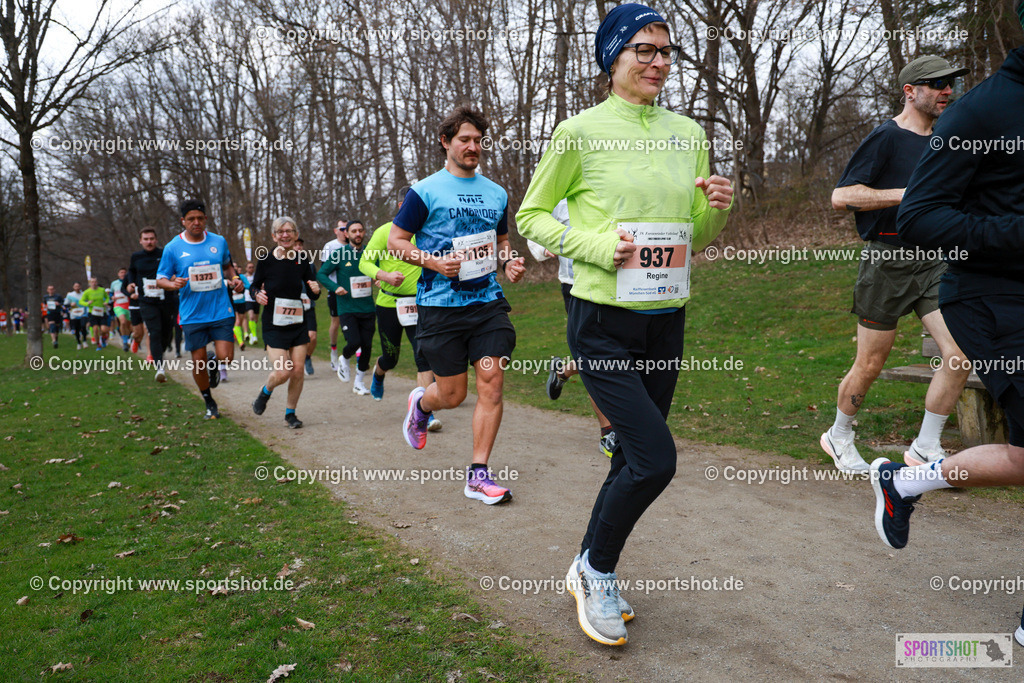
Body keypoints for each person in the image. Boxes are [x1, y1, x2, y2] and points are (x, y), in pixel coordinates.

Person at [517, 3, 733, 646]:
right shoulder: (578, 132)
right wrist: (591, 244)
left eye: (666, 51)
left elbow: (693, 234)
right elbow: (532, 217)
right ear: (612, 58)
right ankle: (599, 569)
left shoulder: (687, 132)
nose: (659, 62)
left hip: (666, 317)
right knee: (655, 458)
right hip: (602, 320)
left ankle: (588, 565)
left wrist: (718, 210)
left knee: (634, 457)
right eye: (644, 50)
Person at [880, 36, 1024, 646]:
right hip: (992, 297)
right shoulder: (983, 110)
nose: (944, 89)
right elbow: (916, 215)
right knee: (869, 363)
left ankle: (906, 480)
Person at [822, 55, 972, 473]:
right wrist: (908, 194)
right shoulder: (885, 137)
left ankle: (926, 446)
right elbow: (842, 196)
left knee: (960, 353)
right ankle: (839, 435)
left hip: (935, 262)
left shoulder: (944, 139)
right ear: (910, 91)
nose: (948, 91)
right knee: (870, 363)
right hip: (886, 259)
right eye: (937, 84)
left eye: (950, 84)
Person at [389, 105, 526, 505]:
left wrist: (509, 262)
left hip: (487, 303)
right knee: (452, 396)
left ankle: (478, 475)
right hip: (439, 304)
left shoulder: (496, 192)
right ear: (445, 142)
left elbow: (501, 244)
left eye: (479, 141)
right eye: (464, 140)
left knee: (492, 381)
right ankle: (421, 403)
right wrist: (431, 261)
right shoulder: (425, 191)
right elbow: (396, 242)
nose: (473, 147)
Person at [530, 200, 617, 457]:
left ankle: (562, 371)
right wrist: (544, 248)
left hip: (620, 283)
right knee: (593, 357)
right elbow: (533, 224)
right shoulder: (562, 195)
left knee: (617, 354)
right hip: (576, 287)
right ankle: (608, 432)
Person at [358, 190, 442, 430]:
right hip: (389, 304)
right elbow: (364, 261)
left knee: (423, 355)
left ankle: (425, 412)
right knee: (391, 357)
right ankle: (379, 372)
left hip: (420, 304)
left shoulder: (428, 231)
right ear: (401, 205)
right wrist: (383, 275)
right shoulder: (385, 232)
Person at [156, 199, 244, 419]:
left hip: (220, 309)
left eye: (200, 218)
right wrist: (172, 284)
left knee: (226, 357)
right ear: (183, 221)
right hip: (192, 313)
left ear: (205, 219)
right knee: (198, 361)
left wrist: (233, 278)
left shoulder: (219, 241)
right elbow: (160, 279)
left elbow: (227, 265)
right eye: (191, 219)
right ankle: (209, 402)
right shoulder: (172, 248)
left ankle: (215, 363)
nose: (196, 222)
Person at [250, 217, 321, 428]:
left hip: (297, 322)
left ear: (295, 235)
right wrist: (257, 295)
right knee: (283, 371)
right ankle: (265, 392)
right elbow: (254, 286)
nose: (285, 235)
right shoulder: (266, 259)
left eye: (289, 231)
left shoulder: (303, 259)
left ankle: (291, 414)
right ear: (274, 236)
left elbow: (311, 290)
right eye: (280, 231)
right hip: (274, 324)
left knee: (298, 370)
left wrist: (315, 291)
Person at [318, 220, 376, 394]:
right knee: (354, 342)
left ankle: (359, 382)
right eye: (353, 231)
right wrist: (335, 288)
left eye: (360, 230)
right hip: (347, 307)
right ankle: (344, 357)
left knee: (366, 346)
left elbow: (378, 271)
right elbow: (321, 274)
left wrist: (380, 279)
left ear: (364, 232)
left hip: (367, 308)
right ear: (347, 234)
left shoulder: (370, 252)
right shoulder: (339, 254)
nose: (357, 234)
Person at [127, 227, 177, 382]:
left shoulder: (164, 254)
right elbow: (131, 272)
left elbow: (175, 269)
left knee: (167, 333)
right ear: (141, 241)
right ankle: (159, 367)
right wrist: (130, 284)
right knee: (154, 331)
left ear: (156, 240)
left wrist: (174, 278)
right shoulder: (136, 257)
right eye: (146, 239)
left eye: (151, 239)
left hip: (167, 299)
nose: (149, 242)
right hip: (147, 301)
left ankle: (159, 352)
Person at [320, 220, 349, 370]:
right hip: (335, 290)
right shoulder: (330, 246)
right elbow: (323, 270)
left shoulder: (354, 246)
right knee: (335, 323)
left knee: (354, 322)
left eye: (347, 228)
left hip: (352, 291)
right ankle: (333, 352)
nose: (345, 232)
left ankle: (356, 356)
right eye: (342, 228)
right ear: (335, 230)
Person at [294, 238, 318, 376]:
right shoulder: (284, 263)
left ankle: (307, 357)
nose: (298, 247)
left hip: (308, 304)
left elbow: (313, 282)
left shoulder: (310, 264)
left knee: (312, 336)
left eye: (300, 245)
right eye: (296, 245)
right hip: (291, 306)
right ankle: (295, 363)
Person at [79, 277, 110, 349]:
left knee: (104, 329)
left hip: (102, 312)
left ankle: (103, 338)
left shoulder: (102, 290)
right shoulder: (87, 292)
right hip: (92, 313)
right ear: (89, 283)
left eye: (95, 282)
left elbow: (107, 297)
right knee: (95, 329)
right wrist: (87, 303)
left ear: (97, 282)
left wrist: (106, 302)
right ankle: (98, 344)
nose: (94, 283)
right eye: (92, 282)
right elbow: (81, 301)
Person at [110, 267, 132, 350]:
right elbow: (111, 293)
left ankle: (127, 337)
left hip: (129, 306)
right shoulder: (114, 283)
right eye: (121, 272)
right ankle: (125, 342)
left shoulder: (130, 282)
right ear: (118, 274)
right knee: (122, 322)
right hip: (118, 306)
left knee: (129, 325)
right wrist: (112, 297)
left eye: (124, 272)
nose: (123, 274)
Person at [231, 260, 251, 350]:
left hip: (242, 302)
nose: (234, 268)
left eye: (235, 266)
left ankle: (240, 337)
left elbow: (248, 286)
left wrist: (241, 285)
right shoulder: (228, 277)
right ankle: (241, 342)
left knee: (242, 320)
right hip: (233, 303)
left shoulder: (241, 277)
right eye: (233, 266)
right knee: (238, 321)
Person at [64, 283, 88, 348]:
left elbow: (88, 302)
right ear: (73, 287)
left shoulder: (84, 294)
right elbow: (65, 304)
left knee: (83, 326)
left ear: (80, 286)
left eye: (78, 286)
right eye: (75, 286)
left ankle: (85, 341)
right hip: (74, 314)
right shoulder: (70, 295)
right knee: (76, 329)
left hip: (83, 313)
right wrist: (70, 305)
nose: (77, 287)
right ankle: (79, 343)